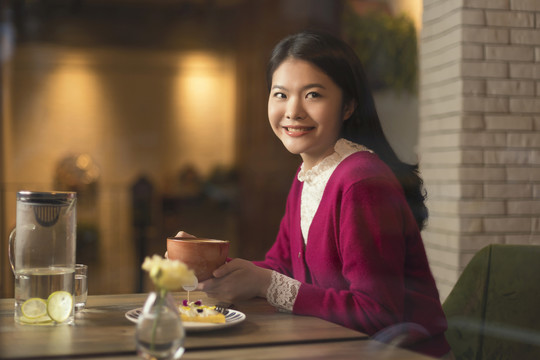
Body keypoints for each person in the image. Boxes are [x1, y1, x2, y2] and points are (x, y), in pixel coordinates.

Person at [183, 30, 452, 358]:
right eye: (280, 95)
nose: (293, 111)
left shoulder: (360, 181)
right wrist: (208, 263)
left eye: (312, 95)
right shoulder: (308, 177)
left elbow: (377, 313)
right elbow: (279, 267)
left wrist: (264, 283)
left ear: (348, 105)